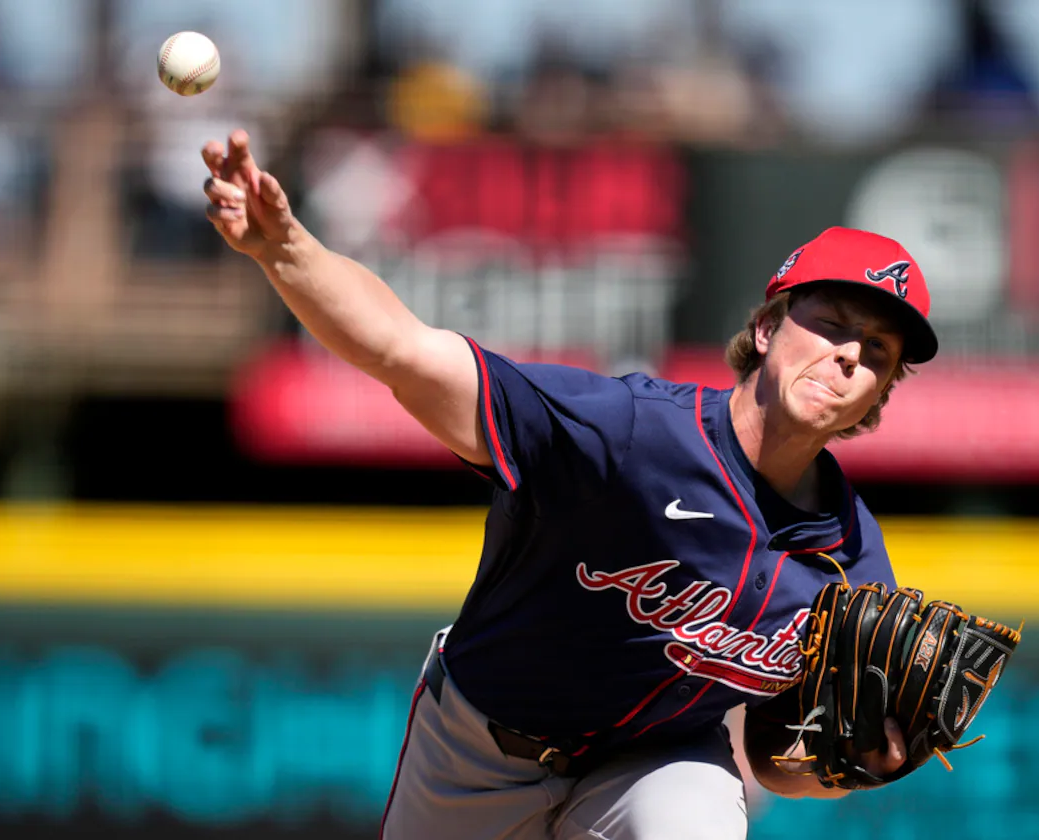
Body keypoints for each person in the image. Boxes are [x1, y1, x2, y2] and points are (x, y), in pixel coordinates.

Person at [200, 129, 939, 840]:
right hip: (481, 748)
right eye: (832, 323)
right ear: (770, 327)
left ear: (880, 395)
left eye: (876, 351)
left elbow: (783, 763)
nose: (848, 355)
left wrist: (853, 766)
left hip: (657, 761)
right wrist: (285, 250)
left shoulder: (849, 553)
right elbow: (406, 353)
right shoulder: (629, 433)